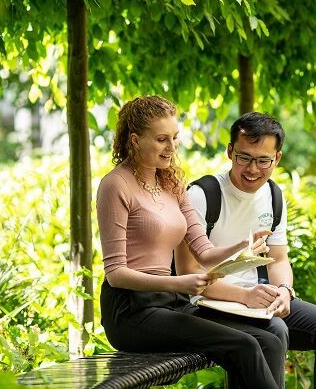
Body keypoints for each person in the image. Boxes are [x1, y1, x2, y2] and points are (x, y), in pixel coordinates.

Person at [96, 95, 280, 389]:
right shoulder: (115, 185)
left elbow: (205, 253)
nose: (171, 148)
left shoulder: (172, 183)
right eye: (161, 139)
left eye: (174, 138)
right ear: (135, 140)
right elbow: (116, 274)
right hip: (132, 312)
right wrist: (179, 283)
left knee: (268, 340)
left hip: (171, 304)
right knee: (242, 345)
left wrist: (243, 246)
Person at [175, 112, 316, 389]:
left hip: (256, 299)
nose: (252, 169)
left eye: (263, 160)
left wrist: (283, 290)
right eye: (244, 157)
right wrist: (245, 296)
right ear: (230, 151)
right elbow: (189, 274)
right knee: (275, 331)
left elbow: (278, 259)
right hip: (206, 304)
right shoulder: (202, 194)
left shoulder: (273, 195)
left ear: (277, 158)